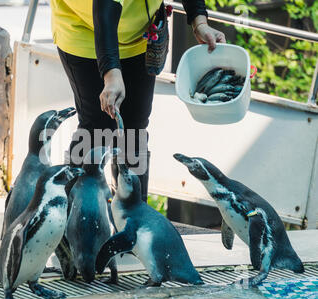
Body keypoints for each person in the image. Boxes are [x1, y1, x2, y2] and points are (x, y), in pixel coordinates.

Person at [50, 0, 226, 202]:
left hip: (139, 35)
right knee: (97, 127)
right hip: (84, 30)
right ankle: (68, 209)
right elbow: (104, 11)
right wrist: (111, 75)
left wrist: (199, 22)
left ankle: (133, 216)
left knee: (134, 130)